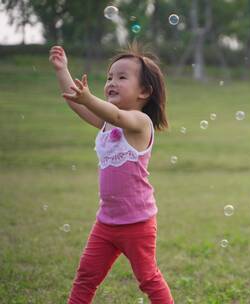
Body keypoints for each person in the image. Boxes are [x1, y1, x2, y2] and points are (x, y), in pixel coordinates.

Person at [49, 44, 174, 303]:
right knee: (85, 277)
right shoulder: (107, 121)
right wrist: (63, 70)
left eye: (122, 77)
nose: (111, 82)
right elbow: (78, 105)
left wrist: (89, 99)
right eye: (109, 77)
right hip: (106, 223)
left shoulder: (140, 123)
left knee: (148, 279)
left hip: (137, 224)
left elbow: (117, 115)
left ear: (144, 91)